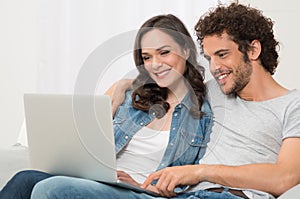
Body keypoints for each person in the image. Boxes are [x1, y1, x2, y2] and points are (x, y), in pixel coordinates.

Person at [32, 2, 300, 199]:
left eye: (222, 54)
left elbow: (284, 178)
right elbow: (168, 80)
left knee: (51, 189)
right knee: (32, 181)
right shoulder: (215, 91)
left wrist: (199, 172)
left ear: (253, 49)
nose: (216, 67)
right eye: (209, 59)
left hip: (225, 196)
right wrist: (125, 85)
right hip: (183, 195)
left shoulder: (292, 105)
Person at [0, 14, 213, 199]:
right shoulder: (133, 97)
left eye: (164, 52)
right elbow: (88, 139)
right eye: (147, 57)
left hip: (142, 192)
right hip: (101, 181)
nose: (154, 64)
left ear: (185, 50)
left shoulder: (202, 112)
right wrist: (121, 88)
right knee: (25, 178)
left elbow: (195, 175)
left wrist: (145, 186)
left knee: (50, 188)